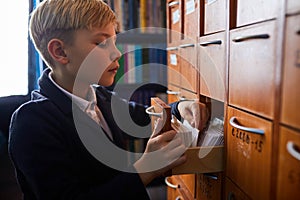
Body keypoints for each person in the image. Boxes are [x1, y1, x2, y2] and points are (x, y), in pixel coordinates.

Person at [8, 0, 208, 199]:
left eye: (114, 42)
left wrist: (181, 107)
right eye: (102, 43)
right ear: (60, 51)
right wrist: (145, 169)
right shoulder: (31, 122)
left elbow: (145, 117)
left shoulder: (99, 97)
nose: (117, 53)